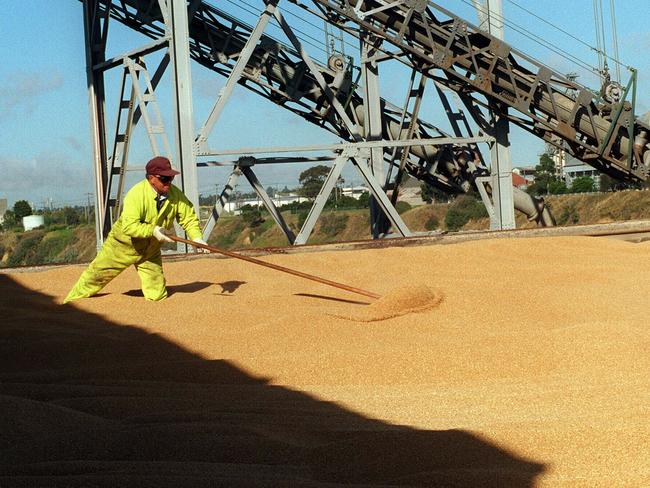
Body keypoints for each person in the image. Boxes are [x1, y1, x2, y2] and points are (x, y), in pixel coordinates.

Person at [64, 156, 208, 303]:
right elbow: (129, 226)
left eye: (171, 178)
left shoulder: (175, 195)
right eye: (165, 178)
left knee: (157, 294)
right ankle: (68, 307)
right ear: (151, 178)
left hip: (150, 250)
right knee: (93, 278)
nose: (169, 182)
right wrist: (153, 230)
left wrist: (196, 237)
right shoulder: (136, 194)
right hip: (122, 247)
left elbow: (188, 218)